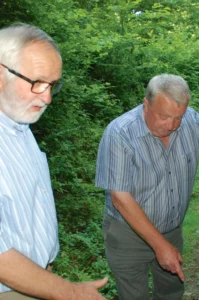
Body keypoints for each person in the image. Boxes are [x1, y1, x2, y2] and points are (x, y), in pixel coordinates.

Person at [95, 73, 199, 299]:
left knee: (171, 293)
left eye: (178, 117)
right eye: (164, 116)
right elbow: (120, 198)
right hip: (127, 235)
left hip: (172, 230)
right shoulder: (120, 133)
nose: (172, 125)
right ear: (146, 104)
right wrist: (160, 246)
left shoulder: (189, 120)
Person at [0, 23, 108, 300]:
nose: (47, 97)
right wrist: (71, 292)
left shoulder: (18, 125)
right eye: (36, 82)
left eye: (52, 85)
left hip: (36, 282)